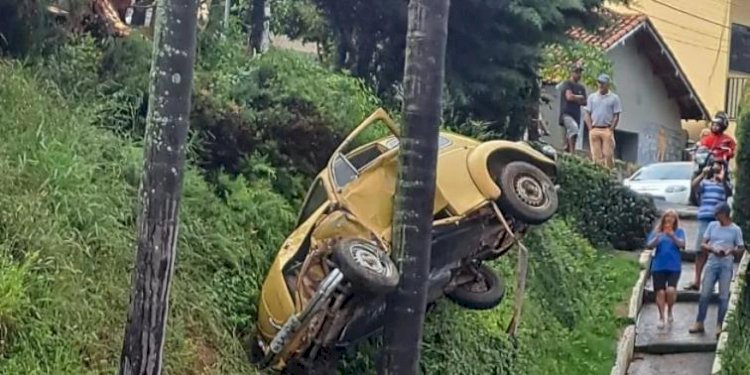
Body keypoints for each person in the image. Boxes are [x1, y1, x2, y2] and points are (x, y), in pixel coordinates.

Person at [689, 202, 745, 335]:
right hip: (712, 262)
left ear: (725, 214)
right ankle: (699, 322)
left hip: (726, 264)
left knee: (724, 296)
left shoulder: (735, 230)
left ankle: (720, 324)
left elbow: (741, 248)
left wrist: (731, 251)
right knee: (705, 294)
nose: (716, 216)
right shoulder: (712, 226)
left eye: (718, 214)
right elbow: (703, 243)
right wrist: (713, 249)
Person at [686, 161, 729, 291]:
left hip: (718, 222)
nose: (716, 169)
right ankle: (697, 281)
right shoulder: (705, 183)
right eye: (714, 166)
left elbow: (729, 192)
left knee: (717, 252)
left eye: (719, 167)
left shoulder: (724, 185)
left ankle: (711, 283)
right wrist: (702, 174)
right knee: (701, 251)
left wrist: (723, 180)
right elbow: (694, 187)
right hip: (704, 219)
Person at [646, 209, 685, 329]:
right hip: (658, 266)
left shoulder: (679, 232)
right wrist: (657, 239)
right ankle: (661, 316)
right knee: (660, 292)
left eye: (672, 217)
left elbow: (682, 245)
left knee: (671, 290)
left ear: (675, 220)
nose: (669, 219)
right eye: (667, 217)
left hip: (674, 266)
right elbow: (649, 245)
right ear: (664, 218)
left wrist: (672, 236)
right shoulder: (657, 232)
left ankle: (670, 311)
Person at [584, 73, 622, 168]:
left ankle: (609, 172)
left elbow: (616, 115)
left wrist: (611, 129)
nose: (600, 85)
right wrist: (590, 128)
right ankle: (599, 173)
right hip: (594, 128)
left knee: (608, 154)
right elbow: (587, 113)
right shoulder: (592, 97)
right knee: (596, 156)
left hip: (606, 129)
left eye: (603, 83)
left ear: (607, 85)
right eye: (599, 83)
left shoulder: (614, 98)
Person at [559, 63, 587, 153]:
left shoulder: (581, 87)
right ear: (572, 73)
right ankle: (572, 152)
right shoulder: (567, 83)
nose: (578, 75)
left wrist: (576, 98)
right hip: (566, 114)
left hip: (576, 115)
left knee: (574, 134)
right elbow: (569, 97)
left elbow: (585, 102)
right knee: (573, 129)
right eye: (576, 72)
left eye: (580, 72)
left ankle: (567, 149)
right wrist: (578, 97)